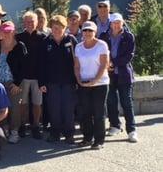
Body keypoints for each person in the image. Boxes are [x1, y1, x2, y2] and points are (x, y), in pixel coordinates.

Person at [38, 15, 78, 144]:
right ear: (51, 28)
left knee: (68, 109)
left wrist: (78, 80)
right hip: (52, 82)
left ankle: (69, 134)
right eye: (54, 27)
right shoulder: (46, 42)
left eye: (60, 27)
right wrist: (42, 82)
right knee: (54, 109)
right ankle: (55, 133)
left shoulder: (71, 40)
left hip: (69, 81)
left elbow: (77, 60)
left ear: (64, 27)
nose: (56, 30)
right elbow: (41, 65)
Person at [101, 13, 137, 142]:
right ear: (110, 23)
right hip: (109, 74)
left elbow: (129, 56)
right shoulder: (104, 36)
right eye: (113, 22)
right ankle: (115, 126)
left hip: (124, 74)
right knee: (111, 101)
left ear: (122, 23)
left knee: (126, 102)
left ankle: (132, 130)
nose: (116, 25)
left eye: (118, 22)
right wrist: (106, 64)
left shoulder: (129, 37)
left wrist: (113, 63)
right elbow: (101, 52)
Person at [74, 21, 110, 150]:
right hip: (84, 84)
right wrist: (78, 79)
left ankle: (99, 140)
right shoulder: (78, 47)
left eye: (90, 30)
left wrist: (95, 80)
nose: (87, 33)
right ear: (82, 32)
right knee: (85, 113)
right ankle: (87, 138)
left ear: (95, 32)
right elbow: (77, 66)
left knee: (99, 113)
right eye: (85, 30)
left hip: (100, 84)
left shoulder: (102, 45)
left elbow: (104, 65)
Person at [0, 21, 27, 144]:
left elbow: (24, 67)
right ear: (0, 32)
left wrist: (17, 84)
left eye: (9, 31)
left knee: (14, 108)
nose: (6, 34)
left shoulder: (19, 46)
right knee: (0, 108)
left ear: (14, 32)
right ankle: (4, 128)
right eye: (4, 31)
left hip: (14, 83)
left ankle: (14, 132)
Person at [16, 11, 46, 139]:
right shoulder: (18, 37)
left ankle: (35, 125)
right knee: (22, 102)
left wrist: (44, 78)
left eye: (32, 21)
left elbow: (46, 59)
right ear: (24, 23)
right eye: (27, 22)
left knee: (37, 103)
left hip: (38, 76)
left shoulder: (43, 37)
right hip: (23, 76)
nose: (29, 24)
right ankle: (22, 125)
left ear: (37, 22)